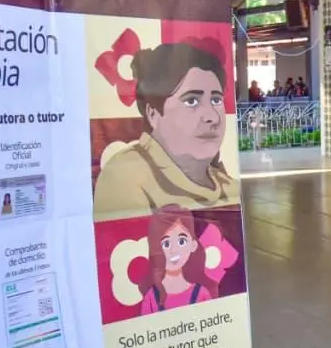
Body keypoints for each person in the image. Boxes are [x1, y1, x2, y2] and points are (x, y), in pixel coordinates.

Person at [94, 42, 239, 219]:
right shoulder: (125, 177)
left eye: (216, 100)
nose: (212, 117)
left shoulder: (230, 187)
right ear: (153, 113)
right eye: (191, 101)